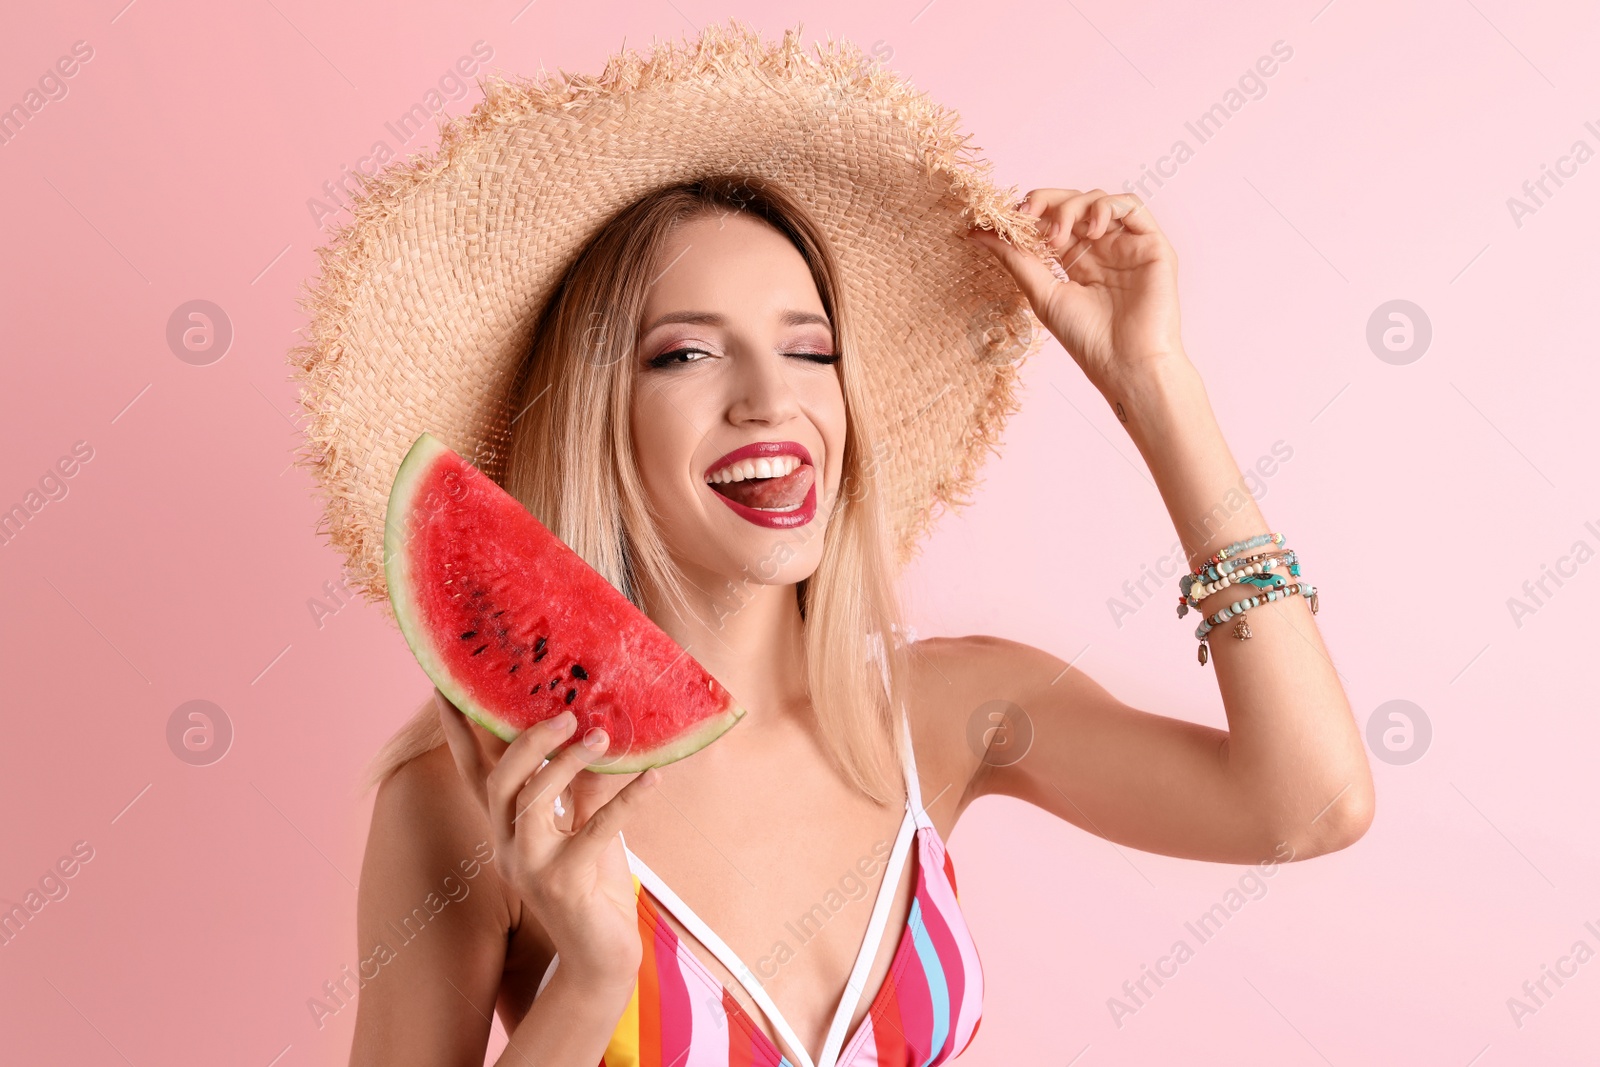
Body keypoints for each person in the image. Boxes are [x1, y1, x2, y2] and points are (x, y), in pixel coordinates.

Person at [289, 24, 1373, 1067]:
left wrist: (1153, 383)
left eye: (810, 351)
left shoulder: (944, 714)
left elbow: (1310, 804)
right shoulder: (462, 796)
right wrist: (587, 978)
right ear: (588, 412)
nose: (772, 400)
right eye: (684, 356)